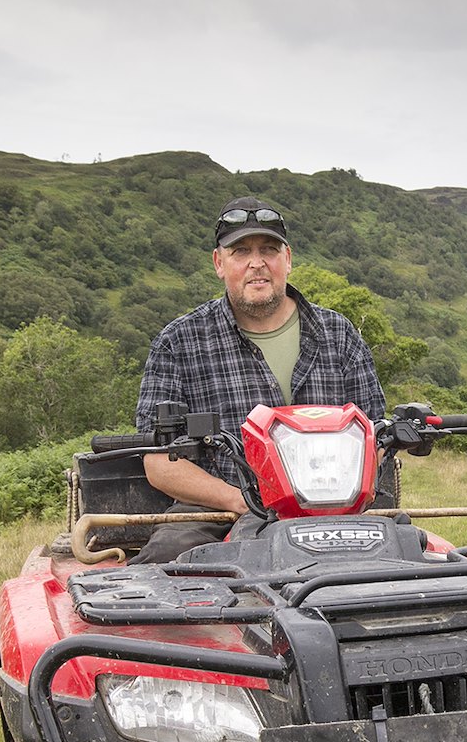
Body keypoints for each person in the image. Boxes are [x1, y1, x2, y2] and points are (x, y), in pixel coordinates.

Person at [133, 196, 385, 561]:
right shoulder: (179, 342)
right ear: (219, 263)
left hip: (339, 509)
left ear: (288, 259)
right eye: (240, 251)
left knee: (418, 561)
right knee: (165, 564)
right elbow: (158, 462)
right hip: (219, 513)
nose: (257, 263)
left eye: (269, 249)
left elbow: (375, 435)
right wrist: (237, 499)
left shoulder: (339, 334)